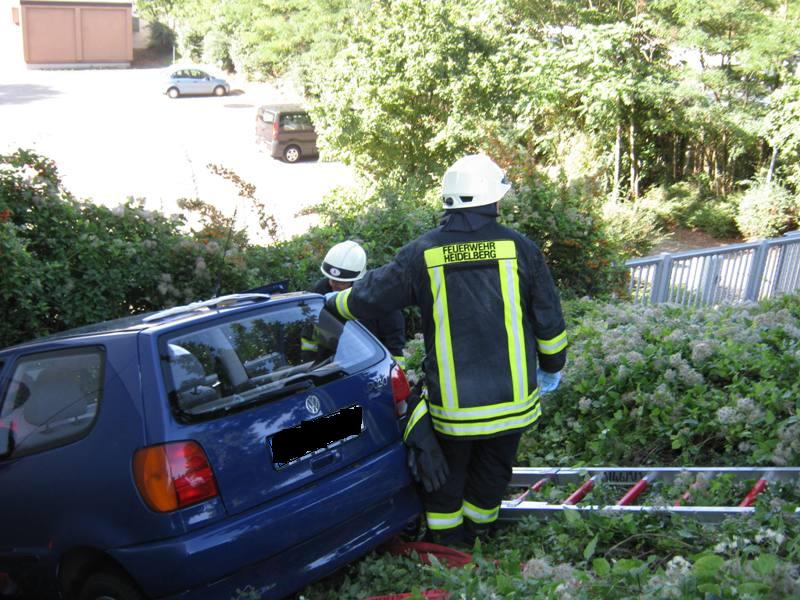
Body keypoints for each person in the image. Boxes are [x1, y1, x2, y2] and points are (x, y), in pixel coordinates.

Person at [325, 154, 567, 547]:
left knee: (448, 480)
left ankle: (447, 550)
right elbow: (549, 322)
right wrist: (552, 366)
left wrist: (329, 304)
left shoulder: (423, 253)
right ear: (492, 200)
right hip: (514, 402)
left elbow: (370, 297)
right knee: (492, 474)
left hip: (455, 411)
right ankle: (480, 536)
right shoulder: (521, 249)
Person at [302, 240, 406, 365]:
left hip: (369, 362)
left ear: (356, 280)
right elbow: (310, 329)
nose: (333, 284)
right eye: (331, 278)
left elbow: (394, 335)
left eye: (340, 281)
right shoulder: (322, 289)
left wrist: (394, 370)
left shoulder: (375, 294)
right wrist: (309, 364)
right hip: (331, 364)